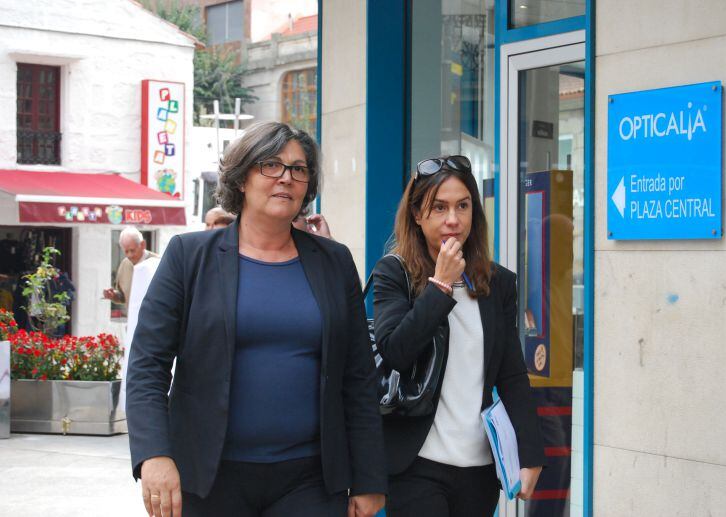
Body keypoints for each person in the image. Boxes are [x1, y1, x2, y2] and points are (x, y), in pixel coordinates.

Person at [126, 121, 387, 517]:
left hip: (311, 479)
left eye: (299, 169)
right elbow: (148, 365)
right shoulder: (188, 256)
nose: (286, 178)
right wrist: (154, 455)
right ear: (242, 177)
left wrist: (369, 478)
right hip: (208, 478)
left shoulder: (333, 262)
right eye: (271, 165)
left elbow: (359, 376)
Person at [372, 155, 546, 516]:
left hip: (480, 469)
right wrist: (440, 286)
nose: (453, 219)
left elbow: (512, 374)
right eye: (439, 207)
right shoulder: (395, 272)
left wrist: (530, 453)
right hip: (416, 464)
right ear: (418, 215)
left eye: (462, 206)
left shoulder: (497, 283)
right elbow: (396, 352)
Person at [103, 227, 159, 308]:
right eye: (126, 251)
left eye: (132, 250)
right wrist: (113, 295)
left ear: (143, 245)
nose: (130, 255)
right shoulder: (124, 265)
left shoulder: (159, 264)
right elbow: (123, 297)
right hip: (133, 319)